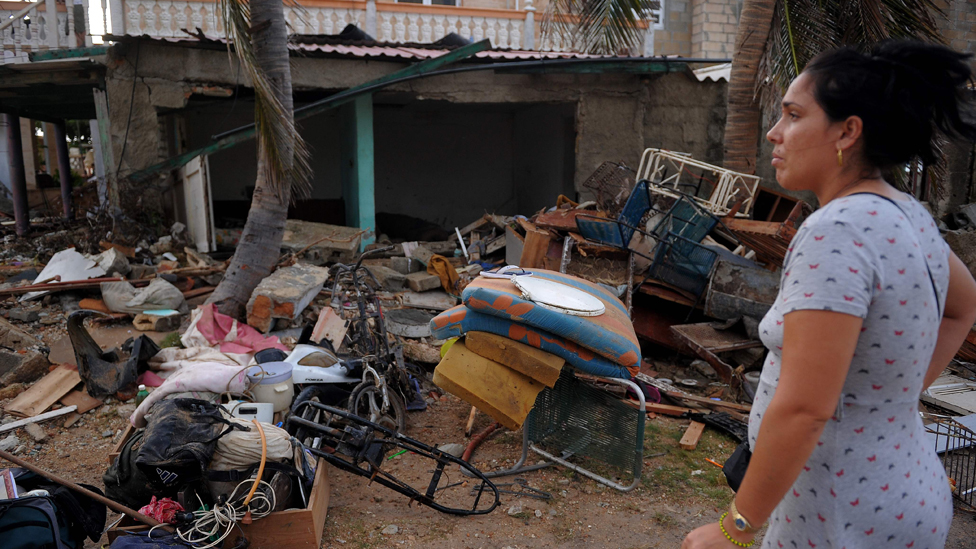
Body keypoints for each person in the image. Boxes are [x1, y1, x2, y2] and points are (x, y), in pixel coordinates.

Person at [683, 40, 976, 549]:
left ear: (848, 131)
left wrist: (734, 530)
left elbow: (804, 407)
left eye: (793, 115)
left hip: (842, 513)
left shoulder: (838, 230)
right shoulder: (903, 212)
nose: (775, 133)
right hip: (897, 492)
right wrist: (885, 402)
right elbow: (963, 306)